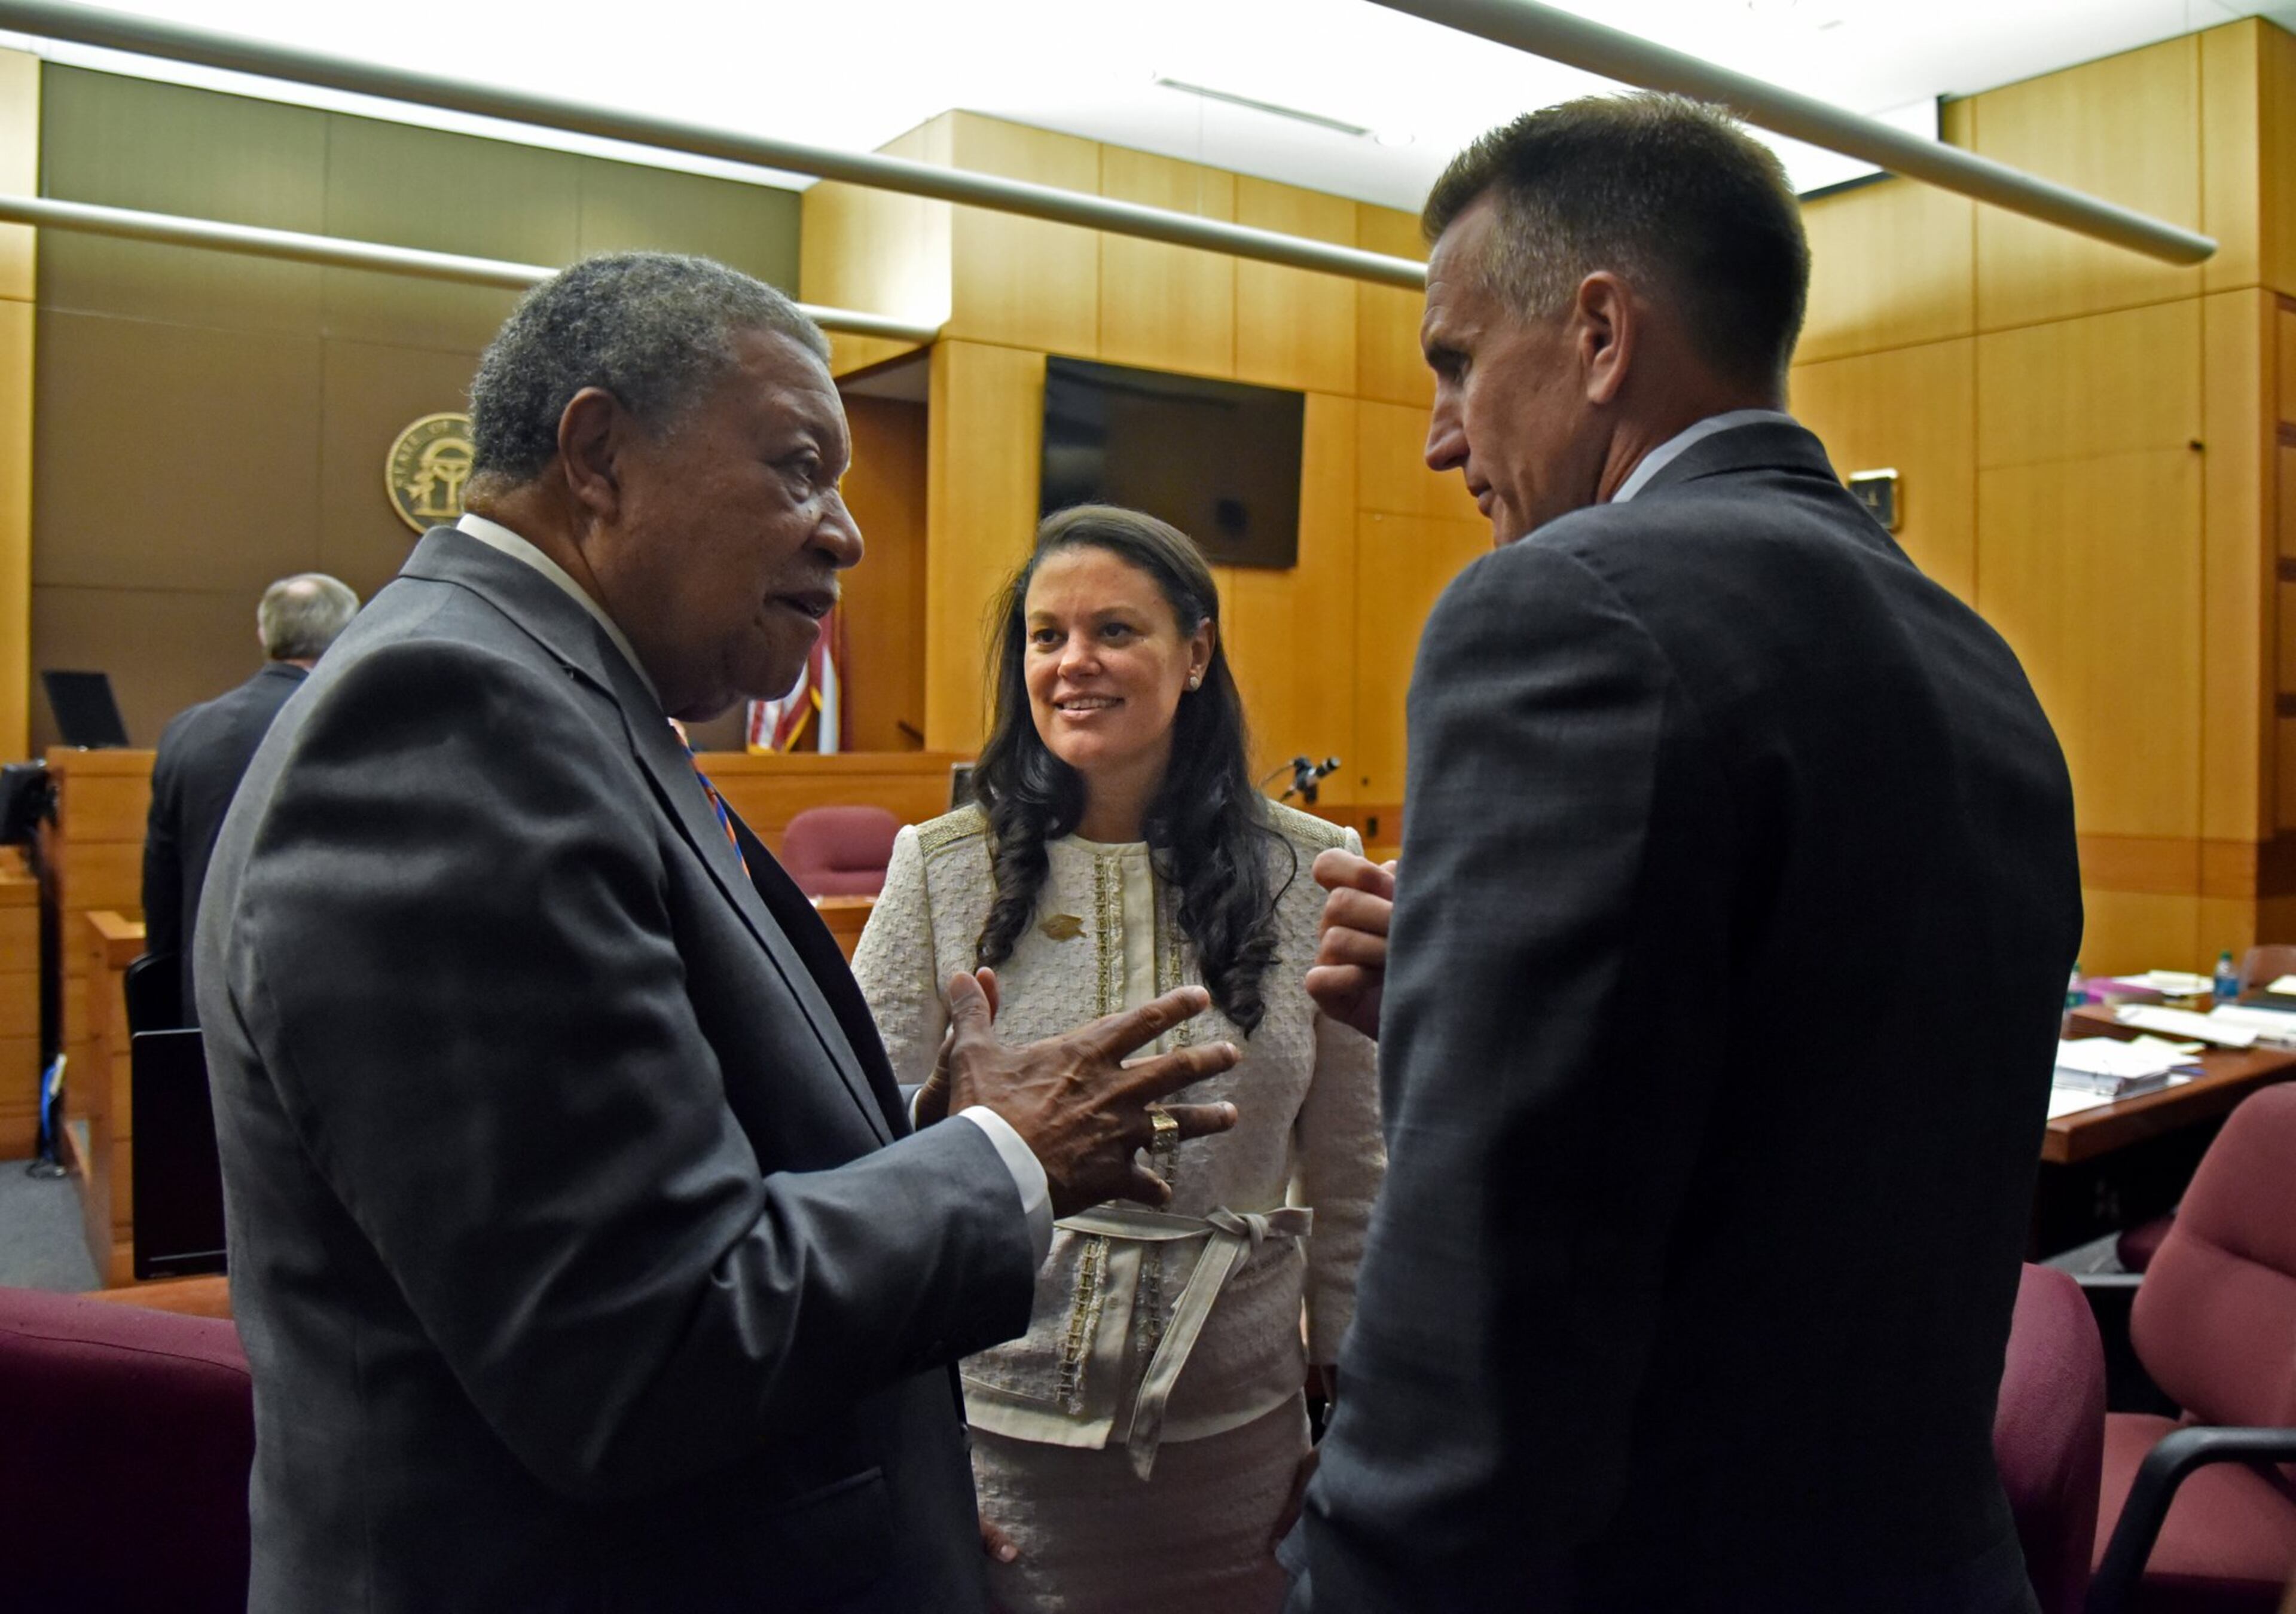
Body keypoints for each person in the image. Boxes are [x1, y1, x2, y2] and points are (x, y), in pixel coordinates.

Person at [194, 253, 1244, 1614]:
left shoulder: (563, 702)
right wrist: (1001, 1160)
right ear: (596, 456)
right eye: (800, 466)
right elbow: (638, 1344)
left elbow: (673, 1179)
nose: (845, 532)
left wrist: (921, 1162)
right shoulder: (451, 724)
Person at [1281, 97, 2082, 1613]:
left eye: (1454, 361)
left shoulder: (1564, 607)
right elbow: (1812, 1108)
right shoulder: (1977, 660)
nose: (1442, 433)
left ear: (1597, 333)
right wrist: (1464, 1018)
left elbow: (1484, 1319)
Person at [853, 505, 1382, 1614]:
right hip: (994, 1440)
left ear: (1196, 653)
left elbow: (1355, 1171)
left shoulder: (1317, 867)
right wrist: (903, 1455)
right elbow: (854, 1161)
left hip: (1238, 1448)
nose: (1073, 663)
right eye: (1046, 637)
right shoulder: (941, 866)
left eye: (1114, 631)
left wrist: (1359, 1417)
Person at [141, 571, 358, 1019]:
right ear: (348, 635)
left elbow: (162, 889)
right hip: (309, 1014)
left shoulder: (185, 731)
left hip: (198, 1004)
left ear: (263, 632)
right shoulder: (344, 726)